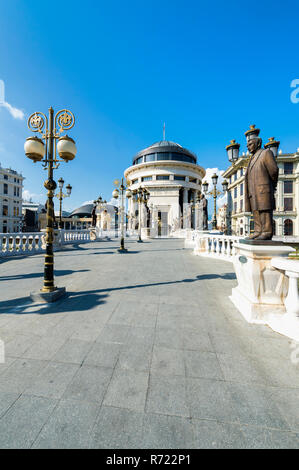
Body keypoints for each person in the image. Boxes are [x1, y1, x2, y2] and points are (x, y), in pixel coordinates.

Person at [244, 125, 278, 240]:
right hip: (253, 191)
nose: (248, 147)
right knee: (256, 212)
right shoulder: (252, 158)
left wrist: (272, 184)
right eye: (247, 145)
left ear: (258, 143)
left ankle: (267, 231)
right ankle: (258, 231)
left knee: (264, 211)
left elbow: (274, 170)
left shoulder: (266, 153)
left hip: (263, 189)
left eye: (250, 144)